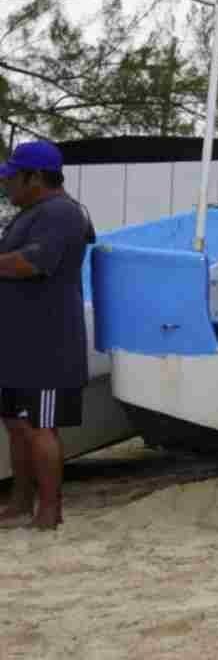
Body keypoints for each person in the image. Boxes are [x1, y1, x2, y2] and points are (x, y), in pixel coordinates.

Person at [0, 142, 95, 529]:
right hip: (16, 344)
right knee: (15, 424)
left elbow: (30, 263)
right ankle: (21, 502)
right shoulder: (29, 213)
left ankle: (49, 511)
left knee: (41, 427)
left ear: (35, 178)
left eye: (11, 179)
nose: (6, 187)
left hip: (48, 344)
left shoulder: (62, 213)